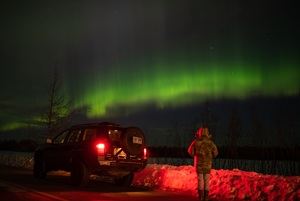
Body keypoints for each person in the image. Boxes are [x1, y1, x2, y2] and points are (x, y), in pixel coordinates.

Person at [188, 127, 218, 201]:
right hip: (208, 165)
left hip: (199, 165)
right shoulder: (211, 142)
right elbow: (216, 153)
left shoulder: (196, 141)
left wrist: (194, 155)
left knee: (200, 180)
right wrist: (210, 156)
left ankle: (201, 197)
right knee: (206, 181)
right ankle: (206, 197)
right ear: (207, 133)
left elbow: (190, 151)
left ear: (199, 132)